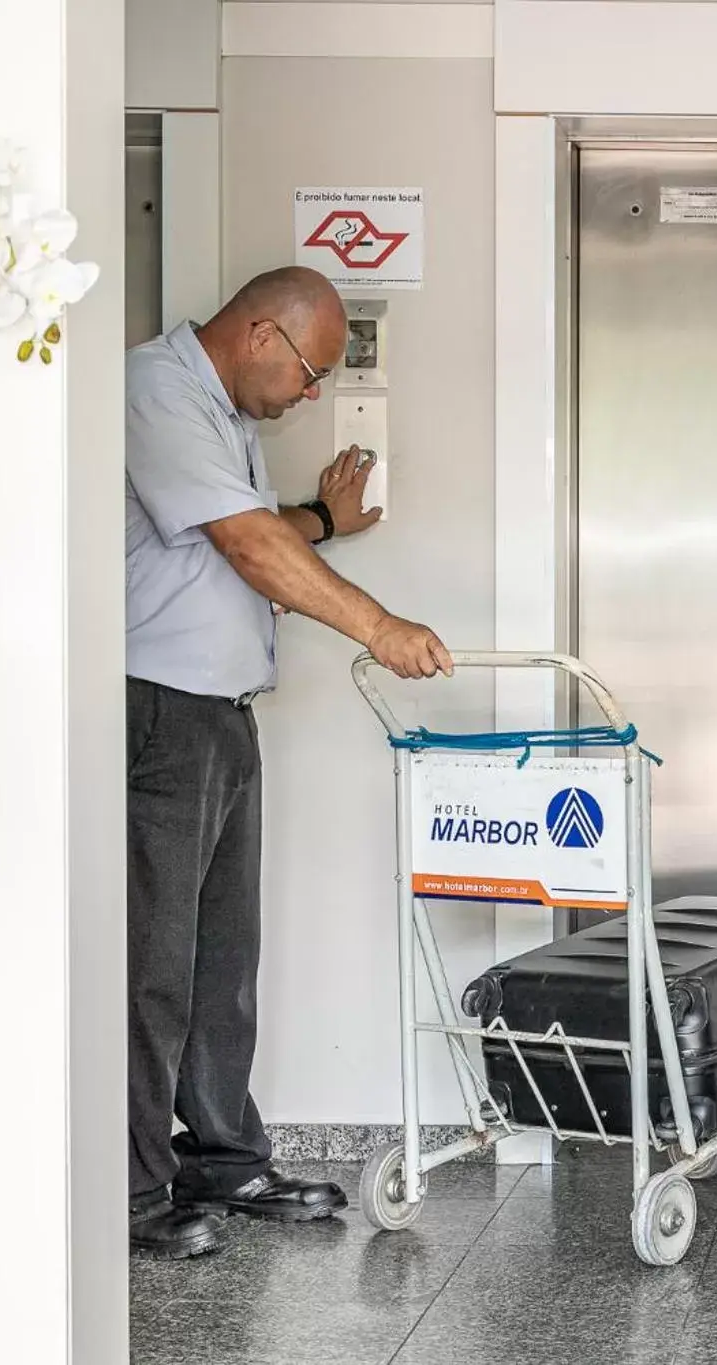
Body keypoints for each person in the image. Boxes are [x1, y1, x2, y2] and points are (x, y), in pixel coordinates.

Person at [123, 266, 453, 1260]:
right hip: (156, 715)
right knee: (152, 965)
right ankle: (133, 1190)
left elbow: (231, 539)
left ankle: (224, 1159)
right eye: (308, 374)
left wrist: (319, 517)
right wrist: (377, 624)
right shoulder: (153, 390)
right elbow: (244, 543)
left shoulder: (222, 414)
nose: (308, 395)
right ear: (260, 332)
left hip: (219, 717)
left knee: (222, 959)